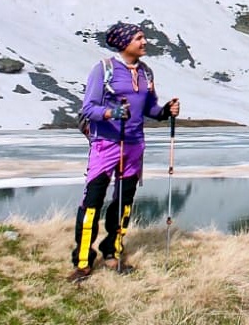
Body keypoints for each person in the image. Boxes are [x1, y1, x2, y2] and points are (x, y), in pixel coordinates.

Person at [68, 22, 180, 282]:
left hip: (133, 146)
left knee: (123, 204)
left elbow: (149, 108)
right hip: (105, 145)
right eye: (139, 38)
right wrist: (111, 113)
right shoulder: (104, 69)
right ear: (124, 43)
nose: (144, 42)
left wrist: (166, 111)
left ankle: (112, 252)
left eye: (143, 38)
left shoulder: (146, 73)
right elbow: (88, 108)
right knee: (92, 203)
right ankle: (83, 261)